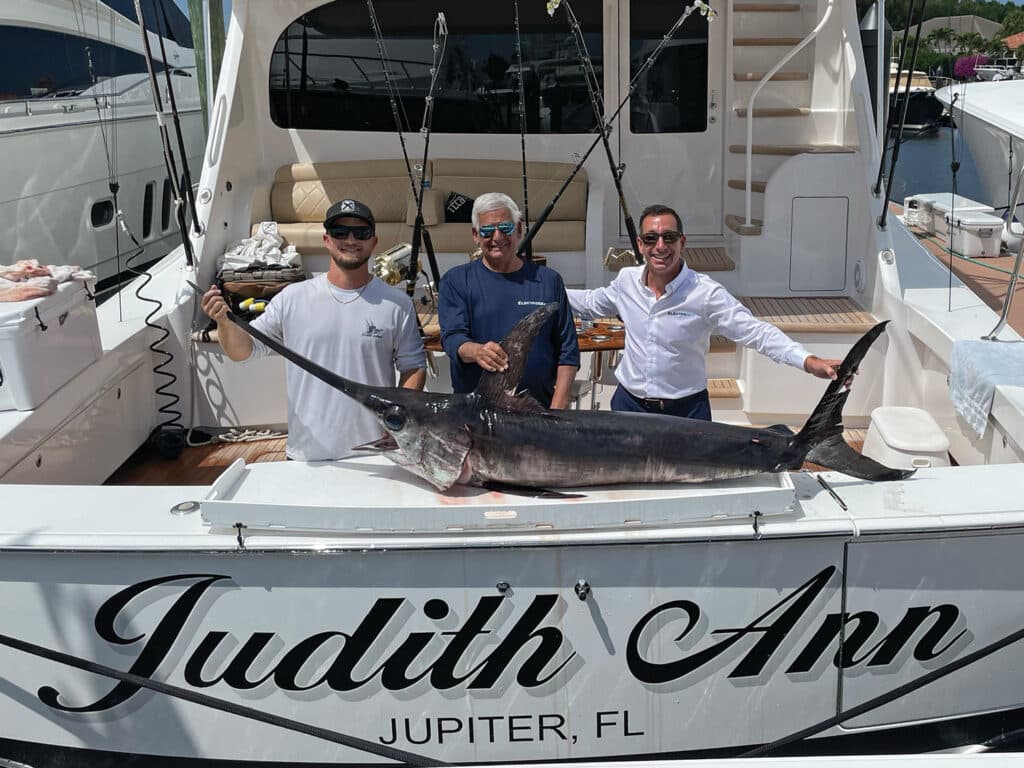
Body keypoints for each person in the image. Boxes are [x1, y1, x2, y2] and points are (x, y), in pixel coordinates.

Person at [568, 203, 845, 420]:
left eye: (669, 237)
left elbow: (756, 332)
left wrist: (809, 361)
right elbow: (591, 303)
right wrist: (539, 287)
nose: (660, 246)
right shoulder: (626, 281)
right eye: (651, 238)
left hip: (686, 412)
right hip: (627, 406)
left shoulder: (705, 293)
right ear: (640, 245)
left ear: (682, 242)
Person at [202, 198, 427, 460]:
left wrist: (400, 420)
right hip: (307, 456)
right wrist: (224, 322)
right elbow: (244, 351)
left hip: (378, 455)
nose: (350, 239)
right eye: (340, 232)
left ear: (374, 241)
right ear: (326, 239)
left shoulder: (398, 304)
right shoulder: (291, 298)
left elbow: (413, 366)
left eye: (361, 232)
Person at [438, 192, 579, 408]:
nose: (496, 237)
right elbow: (453, 339)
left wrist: (557, 411)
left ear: (519, 229)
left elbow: (568, 352)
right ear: (475, 235)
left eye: (505, 228)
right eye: (486, 230)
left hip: (539, 413)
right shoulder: (456, 281)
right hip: (476, 416)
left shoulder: (549, 280)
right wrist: (477, 351)